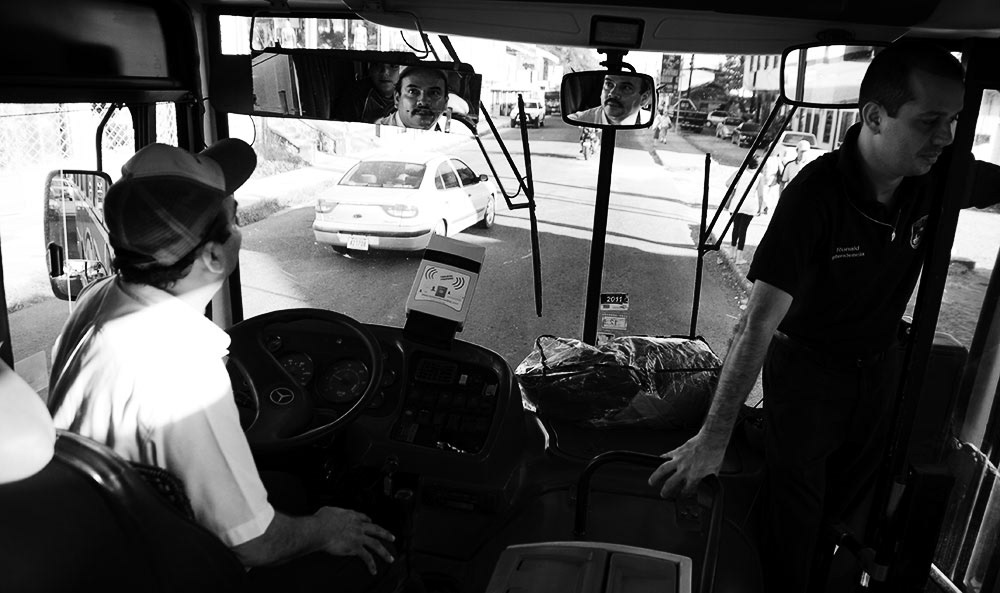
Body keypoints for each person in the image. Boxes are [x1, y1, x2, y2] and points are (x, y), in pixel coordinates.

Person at [647, 40, 1000, 593]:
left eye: (954, 121)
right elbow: (756, 324)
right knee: (794, 521)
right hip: (807, 379)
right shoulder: (815, 195)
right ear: (874, 117)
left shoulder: (940, 175)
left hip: (881, 370)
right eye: (930, 121)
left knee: (852, 516)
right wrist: (714, 438)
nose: (947, 137)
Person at [46, 140, 396, 585]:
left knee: (287, 488)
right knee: (363, 560)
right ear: (214, 256)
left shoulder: (99, 299)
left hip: (99, 535)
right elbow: (254, 544)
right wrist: (326, 528)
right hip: (153, 568)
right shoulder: (183, 368)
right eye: (234, 217)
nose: (239, 225)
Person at [373, 65, 449, 130]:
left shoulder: (455, 133)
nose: (423, 102)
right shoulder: (373, 133)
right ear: (397, 98)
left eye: (434, 93)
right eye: (412, 91)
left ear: (446, 103)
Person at [722, 155, 765, 265]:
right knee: (743, 230)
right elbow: (760, 195)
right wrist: (760, 208)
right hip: (749, 205)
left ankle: (731, 253)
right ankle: (739, 257)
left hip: (736, 204)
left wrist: (737, 189)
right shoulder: (760, 176)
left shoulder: (740, 172)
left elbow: (727, 183)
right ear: (758, 165)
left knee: (735, 227)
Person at [331, 61, 401, 123]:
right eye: (376, 64)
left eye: (393, 66)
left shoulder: (406, 94)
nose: (385, 72)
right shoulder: (356, 95)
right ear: (370, 68)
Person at [570, 74, 652, 126]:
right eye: (609, 84)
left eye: (626, 88)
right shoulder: (577, 120)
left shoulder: (650, 122)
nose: (612, 93)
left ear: (644, 98)